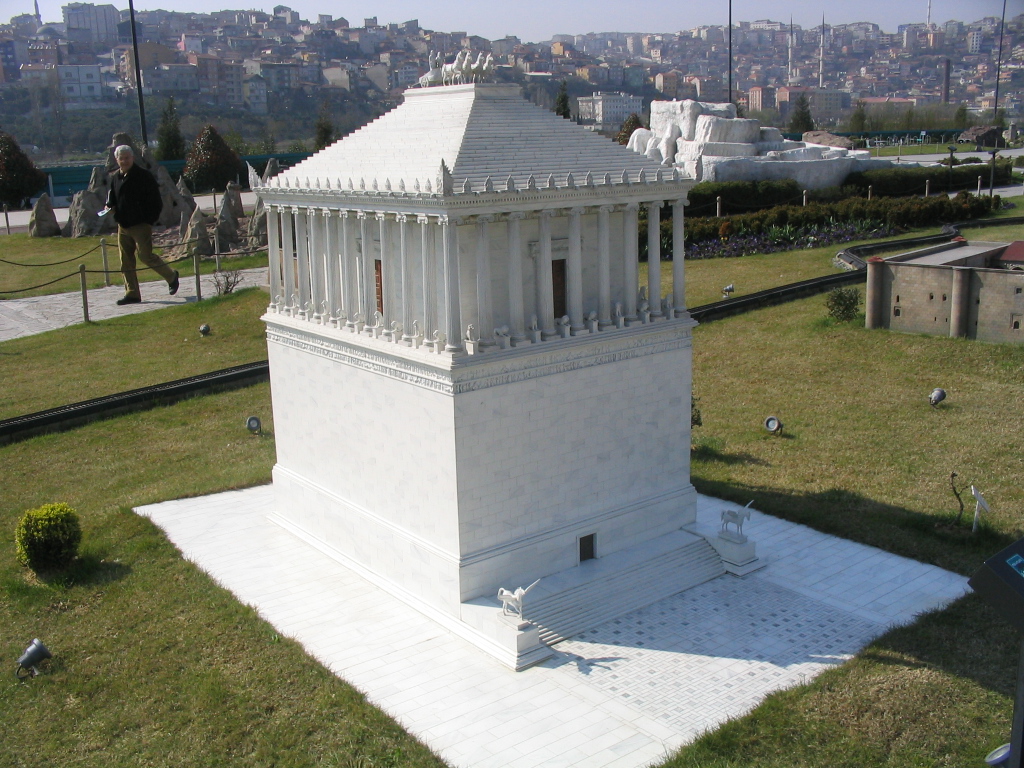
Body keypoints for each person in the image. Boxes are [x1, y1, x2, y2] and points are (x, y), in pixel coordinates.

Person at [104, 144, 179, 305]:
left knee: (145, 256)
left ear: (132, 158)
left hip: (140, 224)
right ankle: (132, 293)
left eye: (127, 158)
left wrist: (148, 220)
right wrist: (110, 207)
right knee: (126, 261)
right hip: (123, 225)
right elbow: (113, 198)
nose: (124, 161)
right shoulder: (116, 177)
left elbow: (156, 201)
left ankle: (171, 276)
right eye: (121, 158)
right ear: (117, 160)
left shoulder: (143, 176)